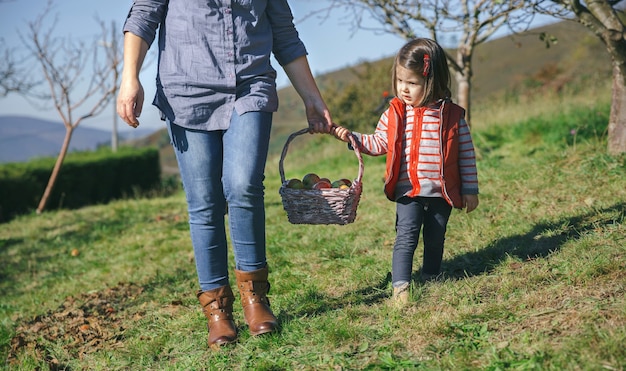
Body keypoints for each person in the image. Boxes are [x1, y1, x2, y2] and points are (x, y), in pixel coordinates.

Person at [117, 1, 334, 348]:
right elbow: (143, 17)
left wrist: (312, 98)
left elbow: (284, 34)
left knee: (243, 184)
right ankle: (217, 309)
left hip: (250, 85)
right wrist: (130, 78)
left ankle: (255, 297)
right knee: (204, 202)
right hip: (186, 91)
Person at [331, 38, 479, 305]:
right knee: (406, 236)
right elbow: (379, 143)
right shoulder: (395, 113)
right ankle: (401, 286)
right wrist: (352, 138)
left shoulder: (452, 116)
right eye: (400, 81)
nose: (404, 89)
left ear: (432, 81)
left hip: (440, 192)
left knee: (435, 237)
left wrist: (469, 190)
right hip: (408, 190)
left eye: (412, 83)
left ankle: (432, 276)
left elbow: (466, 155)